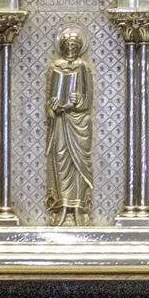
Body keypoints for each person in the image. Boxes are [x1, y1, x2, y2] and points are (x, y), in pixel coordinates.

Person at [45, 26, 94, 225]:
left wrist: (79, 100)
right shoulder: (54, 67)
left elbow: (88, 99)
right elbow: (48, 99)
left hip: (78, 123)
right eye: (68, 45)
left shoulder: (83, 67)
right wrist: (52, 107)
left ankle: (78, 207)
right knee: (60, 158)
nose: (71, 49)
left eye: (75, 45)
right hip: (60, 121)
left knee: (78, 163)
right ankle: (62, 205)